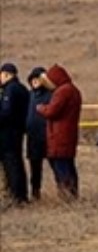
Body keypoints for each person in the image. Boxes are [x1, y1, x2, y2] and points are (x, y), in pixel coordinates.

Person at [40, 65, 81, 200]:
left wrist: (41, 108)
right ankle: (73, 193)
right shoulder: (73, 90)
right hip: (68, 133)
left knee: (61, 166)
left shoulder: (63, 92)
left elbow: (52, 111)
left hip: (59, 135)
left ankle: (66, 195)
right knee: (68, 164)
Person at [0, 63, 28, 205]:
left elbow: (6, 112)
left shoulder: (10, 90)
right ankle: (19, 195)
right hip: (17, 132)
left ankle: (16, 196)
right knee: (16, 162)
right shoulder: (21, 89)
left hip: (9, 133)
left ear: (6, 74)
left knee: (12, 164)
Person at [24, 68, 50, 201]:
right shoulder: (29, 95)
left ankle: (64, 191)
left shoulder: (51, 95)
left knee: (55, 164)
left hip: (48, 135)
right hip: (32, 136)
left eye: (37, 79)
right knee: (35, 167)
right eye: (32, 79)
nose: (34, 82)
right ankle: (35, 192)